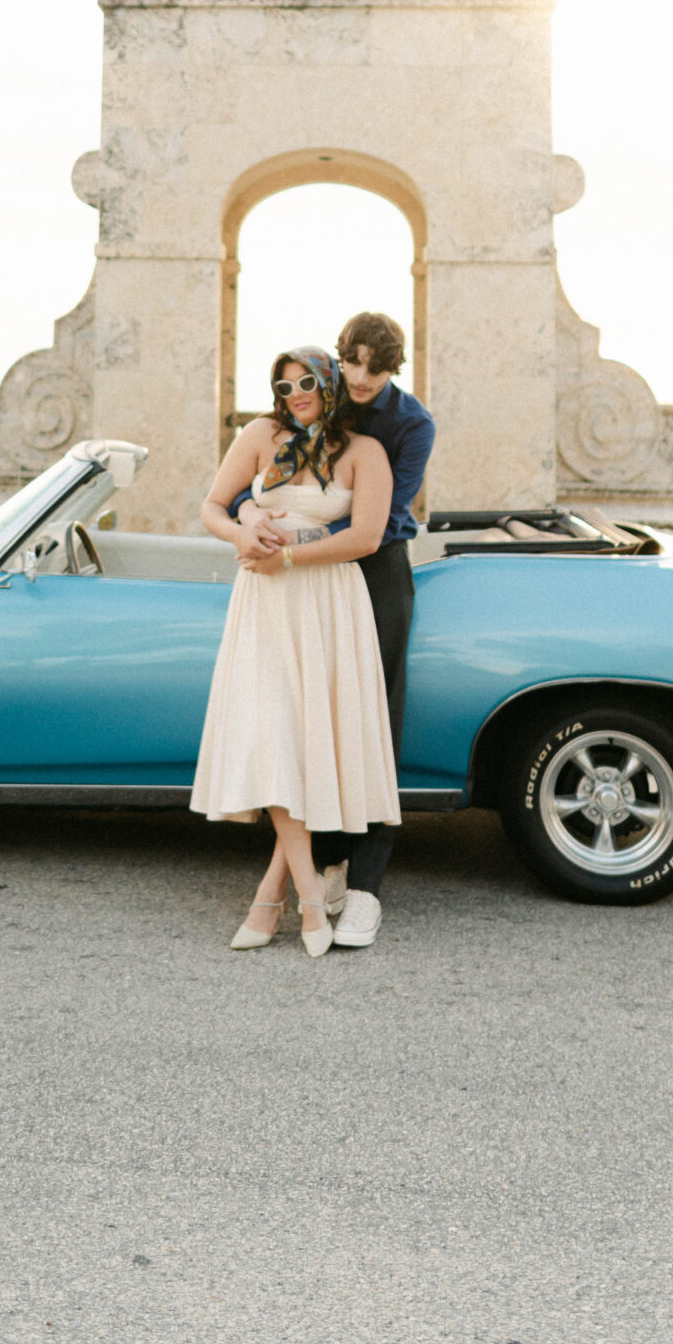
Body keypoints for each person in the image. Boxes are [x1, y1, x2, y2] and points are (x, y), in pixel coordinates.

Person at [230, 310, 433, 950]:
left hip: (374, 571)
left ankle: (365, 886)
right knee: (308, 720)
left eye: (378, 368)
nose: (363, 377)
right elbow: (245, 485)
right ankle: (326, 865)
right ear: (339, 361)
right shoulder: (312, 399)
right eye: (354, 364)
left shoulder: (411, 425)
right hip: (296, 574)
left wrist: (292, 540)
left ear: (395, 368)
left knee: (372, 720)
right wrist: (250, 512)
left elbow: (377, 522)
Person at [190, 349, 398, 958]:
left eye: (306, 381)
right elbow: (212, 506)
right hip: (265, 602)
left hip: (329, 601)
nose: (296, 392)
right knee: (275, 734)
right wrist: (243, 527)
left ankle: (270, 896)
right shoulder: (261, 436)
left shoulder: (365, 452)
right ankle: (309, 894)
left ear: (328, 383)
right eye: (284, 385)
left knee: (310, 743)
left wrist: (286, 556)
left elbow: (366, 537)